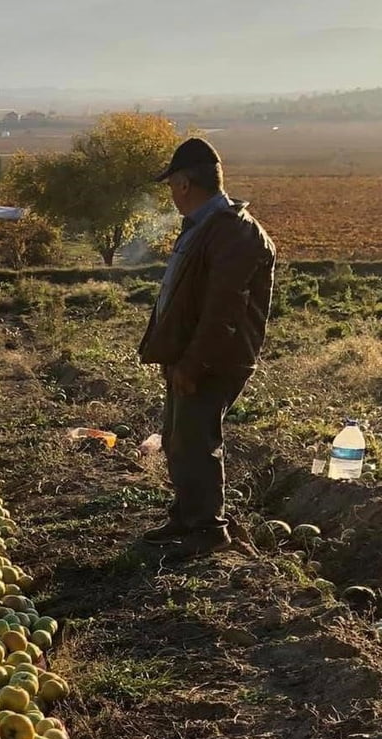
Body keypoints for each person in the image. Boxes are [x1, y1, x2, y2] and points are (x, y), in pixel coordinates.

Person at [138, 137, 276, 554]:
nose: (171, 195)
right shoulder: (205, 227)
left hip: (215, 359)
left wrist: (194, 363)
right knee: (178, 436)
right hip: (191, 355)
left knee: (198, 440)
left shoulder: (234, 233)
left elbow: (224, 312)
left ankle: (208, 532)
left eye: (171, 186)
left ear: (184, 184)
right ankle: (185, 517)